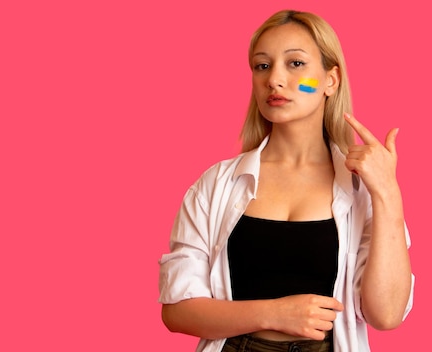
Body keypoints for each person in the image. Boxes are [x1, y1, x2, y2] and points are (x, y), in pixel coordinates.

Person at [157, 9, 414, 352]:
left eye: (295, 64)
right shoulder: (215, 185)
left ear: (330, 80)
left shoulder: (362, 190)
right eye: (262, 65)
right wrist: (274, 313)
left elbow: (386, 315)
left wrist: (387, 193)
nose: (275, 80)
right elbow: (177, 310)